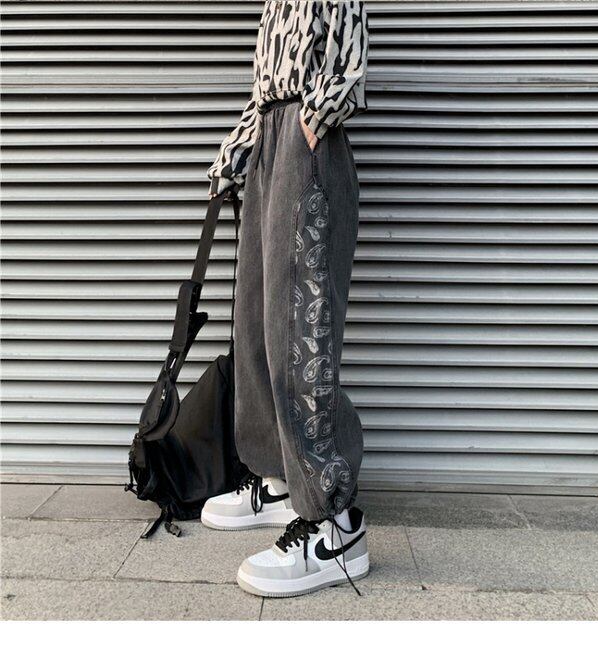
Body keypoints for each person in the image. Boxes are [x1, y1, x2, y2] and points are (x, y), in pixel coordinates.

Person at [202, 0, 369, 598]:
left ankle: (335, 524)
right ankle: (279, 482)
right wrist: (239, 152)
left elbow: (349, 68)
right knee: (256, 326)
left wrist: (308, 124)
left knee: (301, 333)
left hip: (307, 144)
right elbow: (264, 90)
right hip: (272, 144)